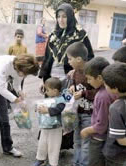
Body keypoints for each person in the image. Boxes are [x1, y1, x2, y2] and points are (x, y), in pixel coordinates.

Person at [38, 2, 94, 150]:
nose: (61, 20)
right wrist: (44, 80)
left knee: (65, 109)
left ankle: (62, 145)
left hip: (69, 82)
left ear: (70, 17)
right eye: (59, 17)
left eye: (64, 17)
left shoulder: (80, 35)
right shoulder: (53, 36)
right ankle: (48, 143)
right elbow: (47, 59)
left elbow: (89, 58)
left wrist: (76, 71)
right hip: (52, 81)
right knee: (50, 109)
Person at [0, 54, 39, 166]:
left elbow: (16, 82)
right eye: (25, 73)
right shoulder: (5, 65)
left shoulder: (21, 67)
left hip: (0, 87)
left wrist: (20, 91)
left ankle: (8, 147)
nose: (25, 76)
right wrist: (16, 100)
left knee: (4, 119)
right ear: (19, 68)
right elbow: (0, 88)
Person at [80, 57, 116, 166]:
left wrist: (87, 130)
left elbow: (101, 125)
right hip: (109, 139)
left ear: (100, 78)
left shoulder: (102, 96)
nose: (88, 82)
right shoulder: (110, 91)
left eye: (89, 78)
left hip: (99, 139)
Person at [63, 42, 97, 166]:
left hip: (90, 114)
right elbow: (75, 85)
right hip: (78, 111)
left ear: (78, 59)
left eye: (70, 58)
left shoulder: (92, 71)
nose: (68, 61)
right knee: (77, 140)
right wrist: (72, 87)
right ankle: (76, 164)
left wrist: (83, 94)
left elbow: (99, 92)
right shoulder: (75, 72)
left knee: (86, 142)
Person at [32, 77, 66, 166]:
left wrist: (47, 110)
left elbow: (59, 110)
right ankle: (40, 159)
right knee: (42, 143)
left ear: (55, 91)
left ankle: (53, 163)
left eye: (47, 90)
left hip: (56, 127)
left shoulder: (60, 100)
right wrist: (38, 108)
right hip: (45, 126)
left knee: (53, 145)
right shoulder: (49, 98)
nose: (45, 92)